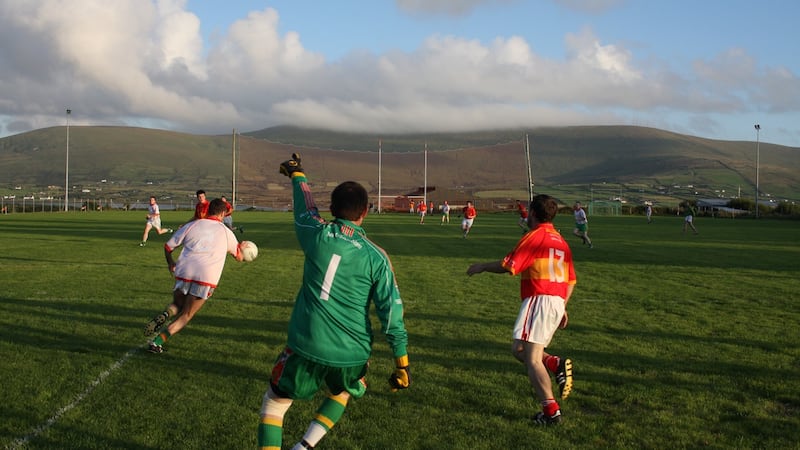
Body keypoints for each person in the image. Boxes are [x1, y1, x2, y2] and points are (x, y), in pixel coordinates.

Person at [258, 154, 410, 450]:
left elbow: (306, 208)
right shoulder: (377, 257)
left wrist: (297, 174)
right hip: (353, 352)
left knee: (275, 403)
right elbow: (391, 314)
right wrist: (401, 363)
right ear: (366, 211)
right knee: (345, 390)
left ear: (332, 209)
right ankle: (304, 446)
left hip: (307, 342)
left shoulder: (317, 233)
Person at [466, 194, 576, 425]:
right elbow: (571, 280)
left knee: (533, 359)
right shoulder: (560, 240)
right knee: (519, 350)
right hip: (556, 300)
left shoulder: (535, 236)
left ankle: (551, 413)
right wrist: (562, 306)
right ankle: (555, 364)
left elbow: (509, 265)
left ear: (533, 213)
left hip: (539, 299)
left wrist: (482, 266)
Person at [143, 198, 244, 353]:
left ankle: (166, 313)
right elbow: (239, 257)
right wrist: (244, 247)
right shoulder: (226, 232)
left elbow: (168, 246)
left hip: (184, 272)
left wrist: (171, 263)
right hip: (206, 277)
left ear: (209, 209)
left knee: (177, 305)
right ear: (223, 213)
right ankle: (157, 342)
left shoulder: (193, 225)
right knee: (186, 315)